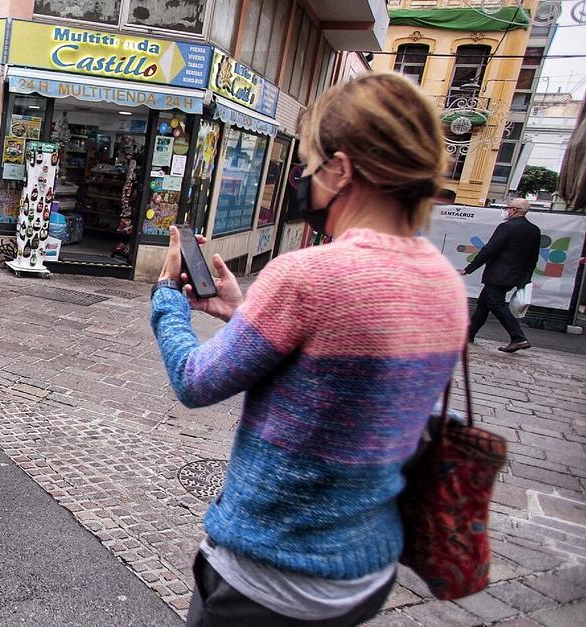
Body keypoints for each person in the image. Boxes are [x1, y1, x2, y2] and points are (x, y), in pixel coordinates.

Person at [150, 73, 466, 625]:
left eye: (312, 166)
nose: (306, 182)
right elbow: (344, 378)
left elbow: (195, 381)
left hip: (270, 581)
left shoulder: (306, 275)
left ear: (342, 169)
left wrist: (165, 300)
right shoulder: (444, 280)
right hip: (364, 570)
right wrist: (242, 312)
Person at [461, 197, 542, 353]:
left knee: (496, 304)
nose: (505, 211)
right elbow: (533, 257)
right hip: (514, 275)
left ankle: (518, 337)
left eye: (507, 208)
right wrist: (525, 278)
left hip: (498, 274)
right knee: (483, 304)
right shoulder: (534, 230)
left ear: (514, 210)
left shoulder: (506, 227)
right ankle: (469, 334)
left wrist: (469, 268)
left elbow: (489, 249)